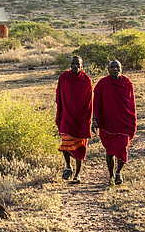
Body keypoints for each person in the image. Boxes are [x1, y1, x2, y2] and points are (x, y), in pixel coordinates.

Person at [93, 60, 137, 186]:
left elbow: (131, 103)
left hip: (124, 121)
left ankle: (118, 172)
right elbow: (96, 103)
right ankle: (111, 175)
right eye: (112, 67)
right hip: (107, 123)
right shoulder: (102, 83)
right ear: (108, 69)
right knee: (110, 151)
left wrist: (132, 118)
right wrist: (95, 119)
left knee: (122, 147)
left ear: (121, 68)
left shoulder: (127, 82)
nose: (115, 69)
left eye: (117, 66)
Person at [55, 55, 92, 183]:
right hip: (66, 115)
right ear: (70, 65)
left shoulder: (86, 80)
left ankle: (77, 175)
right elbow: (58, 96)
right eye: (73, 64)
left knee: (79, 147)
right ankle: (68, 166)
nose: (75, 66)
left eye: (78, 64)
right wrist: (60, 113)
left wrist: (87, 120)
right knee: (65, 143)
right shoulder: (64, 77)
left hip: (81, 118)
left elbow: (89, 102)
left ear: (82, 66)